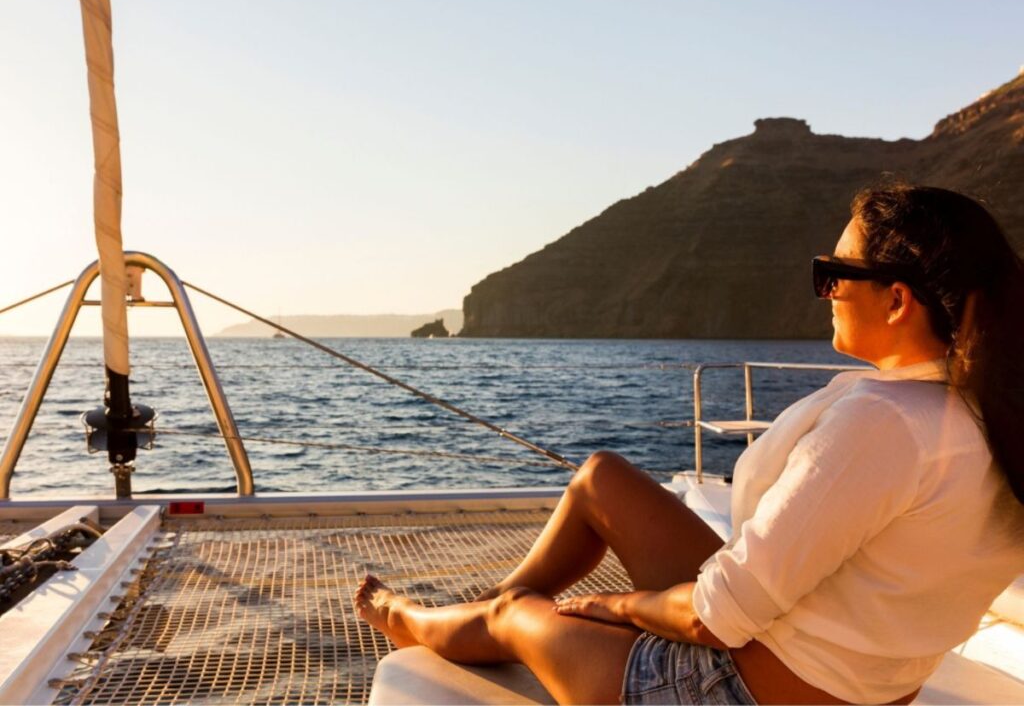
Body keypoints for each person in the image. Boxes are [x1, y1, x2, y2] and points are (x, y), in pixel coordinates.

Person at [355, 185, 1024, 705]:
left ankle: (411, 619)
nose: (825, 290)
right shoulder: (986, 413)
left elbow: (715, 619)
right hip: (816, 662)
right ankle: (482, 624)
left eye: (832, 272)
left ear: (897, 300)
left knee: (515, 614)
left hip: (731, 690)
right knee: (600, 478)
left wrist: (610, 607)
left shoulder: (887, 424)